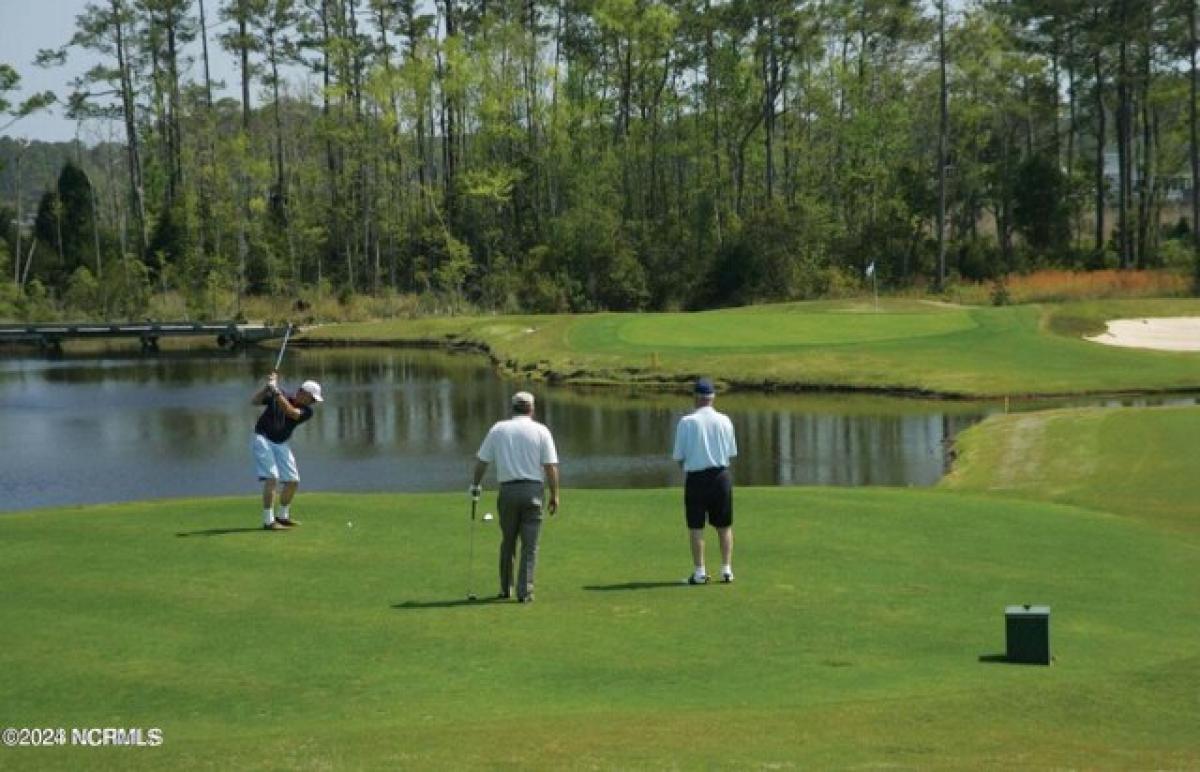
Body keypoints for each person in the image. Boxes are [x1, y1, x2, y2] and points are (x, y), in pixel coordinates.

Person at [471, 391, 560, 603]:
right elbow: (550, 467)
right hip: (533, 492)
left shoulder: (498, 429)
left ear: (512, 407)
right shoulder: (541, 430)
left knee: (508, 541)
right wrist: (555, 495)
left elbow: (482, 461)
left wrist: (475, 484)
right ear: (532, 408)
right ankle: (525, 592)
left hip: (508, 492)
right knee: (530, 545)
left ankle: (505, 588)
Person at [672, 377, 737, 584]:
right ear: (713, 397)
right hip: (721, 477)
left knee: (696, 526)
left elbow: (679, 458)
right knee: (724, 526)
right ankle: (727, 570)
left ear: (696, 398)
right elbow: (731, 452)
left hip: (696, 479)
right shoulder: (725, 420)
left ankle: (700, 572)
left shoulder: (686, 422)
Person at [251, 371, 323, 531]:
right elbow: (254, 401)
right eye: (312, 398)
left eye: (314, 400)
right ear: (302, 393)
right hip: (263, 439)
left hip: (281, 443)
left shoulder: (307, 411)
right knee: (272, 477)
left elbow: (291, 412)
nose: (313, 402)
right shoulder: (280, 393)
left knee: (293, 481)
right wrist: (267, 388)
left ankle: (282, 517)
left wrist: (275, 390)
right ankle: (268, 521)